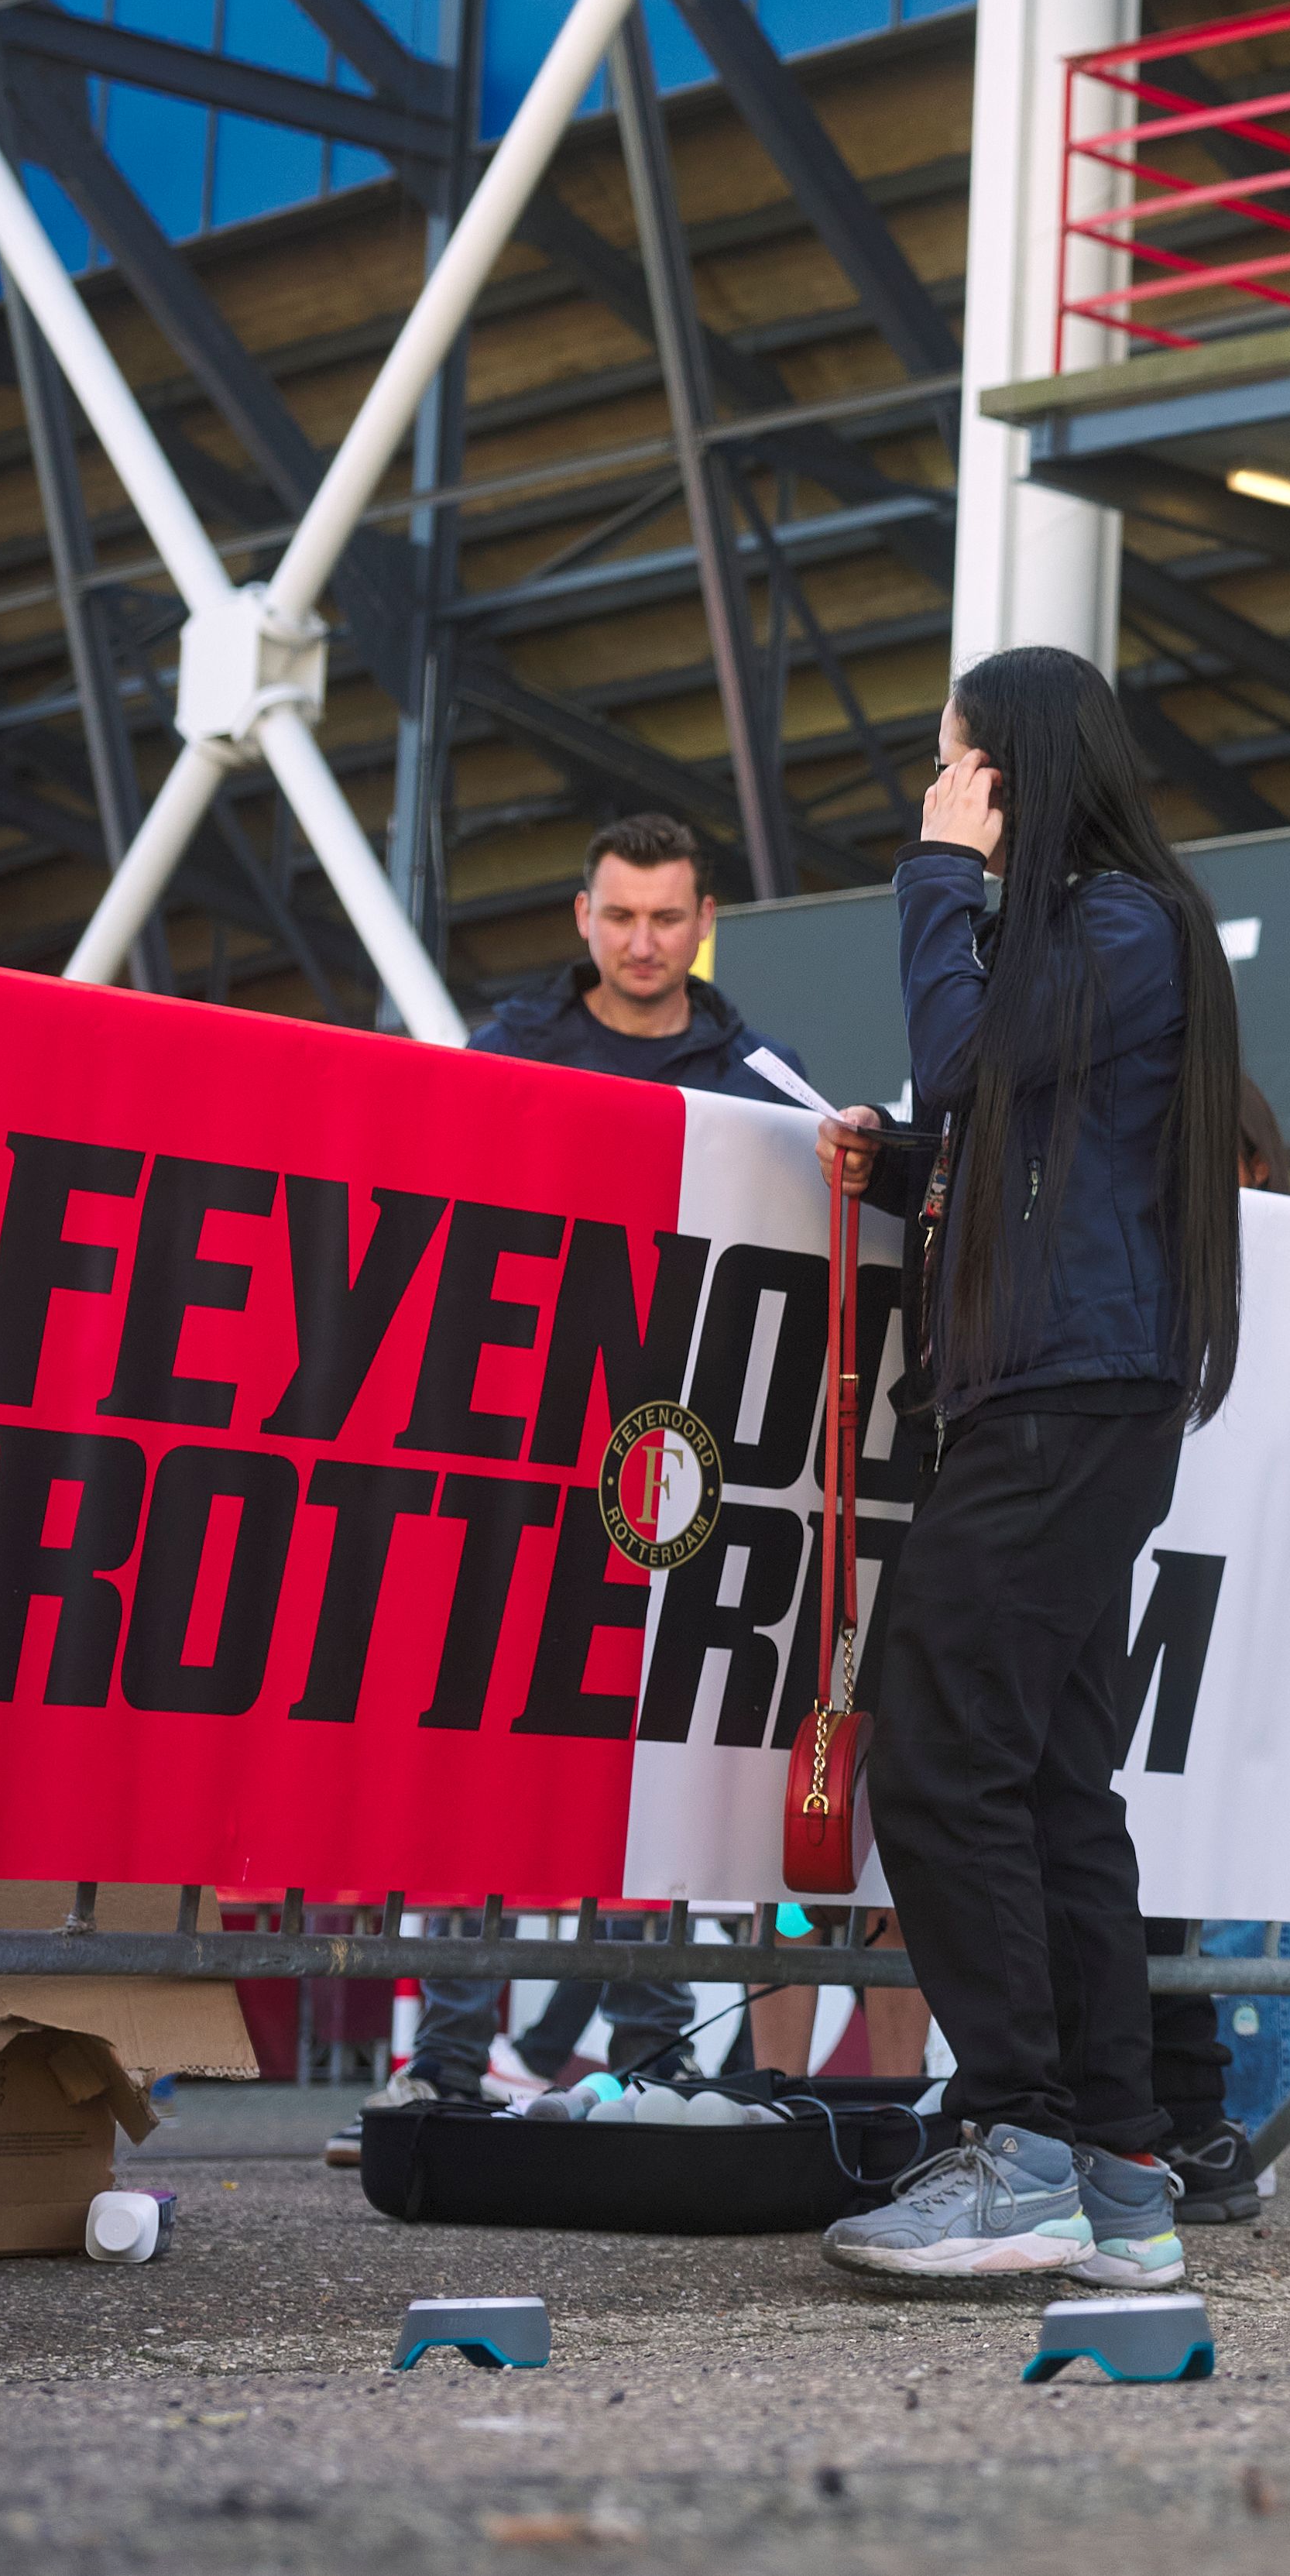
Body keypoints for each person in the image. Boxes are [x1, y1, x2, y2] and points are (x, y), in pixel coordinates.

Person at [812, 647, 1247, 2286]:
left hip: (1063, 1392)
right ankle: (1115, 2169)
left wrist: (934, 874)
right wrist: (910, 1168)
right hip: (1058, 1383)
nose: (940, 790)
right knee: (1054, 1780)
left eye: (956, 764)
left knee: (939, 1753)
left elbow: (969, 1056)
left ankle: (1018, 2141)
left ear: (1011, 771)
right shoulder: (1104, 933)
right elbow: (1012, 1116)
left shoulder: (1119, 924)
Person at [393, 812, 829, 2112]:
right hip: (519, 1451)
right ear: (583, 917)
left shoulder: (761, 1070)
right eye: (621, 915)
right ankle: (449, 2063)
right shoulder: (510, 1051)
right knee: (480, 1749)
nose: (643, 941)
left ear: (705, 925)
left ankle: (653, 2057)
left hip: (682, 1460)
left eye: (668, 916)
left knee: (655, 1759)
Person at [1128, 1079, 1290, 2227]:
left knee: (1201, 1873)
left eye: (1230, 1163)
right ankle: (1178, 2117)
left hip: (1235, 1613)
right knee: (1131, 1856)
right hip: (1136, 1582)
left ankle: (1213, 2116)